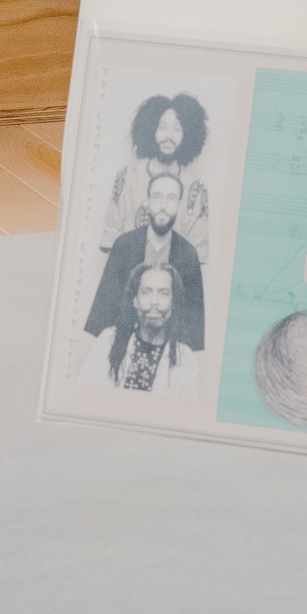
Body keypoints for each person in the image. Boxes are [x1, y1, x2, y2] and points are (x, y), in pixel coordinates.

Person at [85, 172, 207, 351]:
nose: (163, 206)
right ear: (148, 201)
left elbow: (193, 323)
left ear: (179, 205)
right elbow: (104, 309)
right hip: (123, 346)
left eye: (171, 198)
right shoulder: (124, 245)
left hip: (168, 351)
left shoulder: (188, 254)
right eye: (157, 197)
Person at [98, 93, 212, 262]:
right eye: (162, 127)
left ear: (187, 135)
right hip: (126, 273)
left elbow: (194, 259)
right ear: (151, 130)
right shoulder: (128, 176)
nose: (169, 136)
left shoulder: (195, 187)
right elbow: (111, 243)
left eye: (177, 129)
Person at [80, 262, 202, 397]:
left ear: (173, 302)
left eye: (164, 293)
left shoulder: (186, 360)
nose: (154, 301)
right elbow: (83, 397)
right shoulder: (108, 341)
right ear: (135, 301)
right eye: (146, 292)